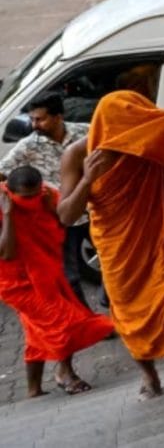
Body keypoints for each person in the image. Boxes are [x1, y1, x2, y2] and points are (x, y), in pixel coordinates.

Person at [57, 79, 164, 400]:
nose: (127, 136)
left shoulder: (146, 142)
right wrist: (89, 179)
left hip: (159, 233)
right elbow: (65, 215)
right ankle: (149, 376)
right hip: (118, 247)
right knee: (130, 314)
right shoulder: (77, 155)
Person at [0, 166, 114, 399]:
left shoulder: (47, 195)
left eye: (35, 194)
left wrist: (50, 204)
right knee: (63, 322)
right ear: (10, 193)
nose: (32, 200)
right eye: (25, 198)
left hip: (48, 271)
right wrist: (10, 214)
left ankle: (33, 389)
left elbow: (62, 224)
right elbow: (7, 253)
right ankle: (65, 373)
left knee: (37, 332)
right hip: (15, 284)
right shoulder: (3, 206)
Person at [0, 92, 91, 307]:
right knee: (70, 277)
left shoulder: (85, 132)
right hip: (61, 218)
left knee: (114, 263)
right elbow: (2, 172)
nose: (34, 124)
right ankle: (87, 321)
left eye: (40, 119)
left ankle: (116, 307)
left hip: (93, 211)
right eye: (32, 119)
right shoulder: (27, 146)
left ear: (58, 117)